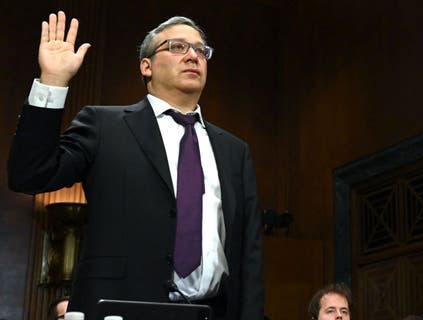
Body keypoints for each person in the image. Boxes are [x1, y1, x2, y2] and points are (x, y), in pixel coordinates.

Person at [7, 11, 263, 320]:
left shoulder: (235, 150)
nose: (193, 55)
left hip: (214, 312)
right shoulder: (104, 125)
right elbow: (30, 174)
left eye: (200, 50)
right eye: (178, 47)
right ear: (147, 66)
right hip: (121, 309)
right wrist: (53, 82)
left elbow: (249, 254)